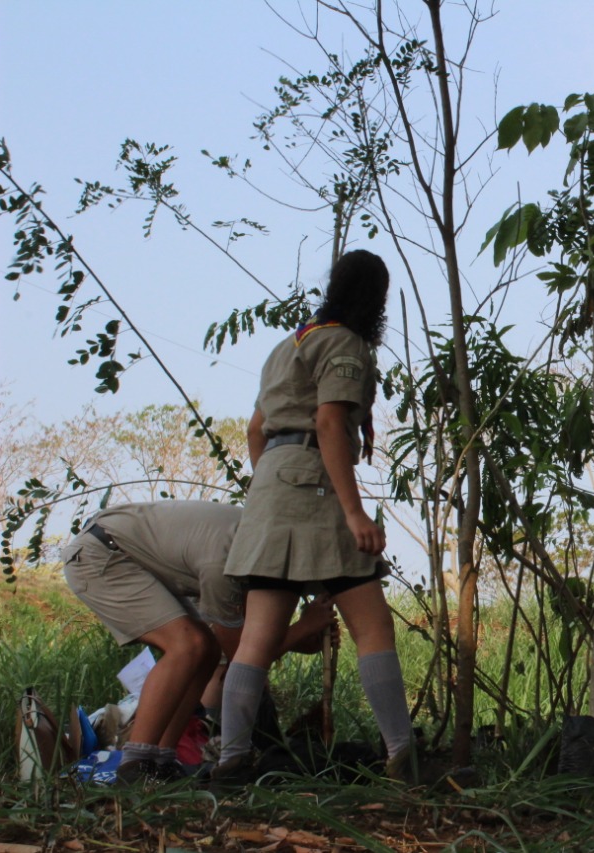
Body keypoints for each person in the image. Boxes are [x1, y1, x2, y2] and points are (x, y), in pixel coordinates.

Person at [214, 249, 416, 784]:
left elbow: (255, 430)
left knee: (258, 636)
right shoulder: (343, 343)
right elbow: (329, 423)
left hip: (270, 487)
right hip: (317, 486)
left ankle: (231, 760)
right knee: (373, 626)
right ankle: (402, 758)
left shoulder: (290, 344)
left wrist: (272, 484)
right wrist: (354, 512)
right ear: (376, 299)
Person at [60, 500, 334, 784]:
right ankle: (135, 764)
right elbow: (241, 656)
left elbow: (250, 639)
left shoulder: (261, 545)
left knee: (207, 650)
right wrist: (303, 628)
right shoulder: (228, 562)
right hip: (102, 555)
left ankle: (161, 759)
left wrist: (302, 638)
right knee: (187, 645)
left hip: (131, 559)